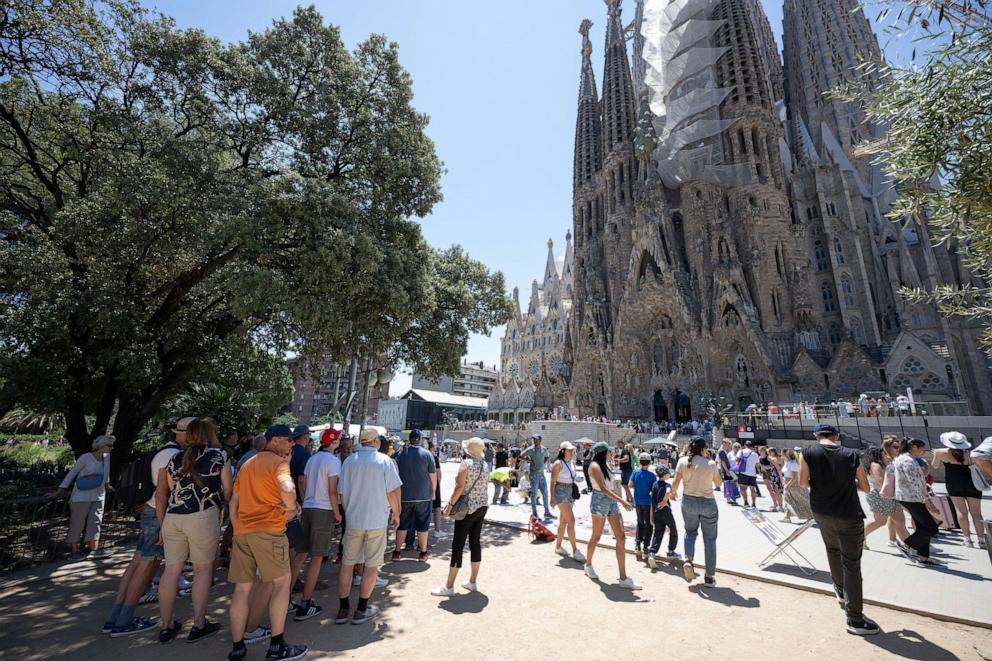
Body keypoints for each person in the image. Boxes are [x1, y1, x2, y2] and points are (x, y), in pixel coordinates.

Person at [227, 423, 307, 661]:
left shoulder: (247, 464)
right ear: (274, 440)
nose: (292, 444)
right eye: (288, 440)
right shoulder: (279, 463)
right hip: (270, 531)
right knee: (282, 584)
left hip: (244, 532)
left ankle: (238, 647)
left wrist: (238, 528)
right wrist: (292, 509)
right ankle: (277, 645)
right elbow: (287, 487)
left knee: (241, 590)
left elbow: (234, 502)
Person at [102, 419, 188, 636]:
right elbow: (164, 494)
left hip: (149, 511)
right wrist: (162, 523)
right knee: (148, 564)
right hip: (159, 514)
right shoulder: (174, 456)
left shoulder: (163, 452)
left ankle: (115, 617)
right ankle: (124, 621)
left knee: (138, 561)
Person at [799, 423, 879, 636]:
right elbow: (866, 487)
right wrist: (845, 483)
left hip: (821, 511)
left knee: (832, 550)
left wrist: (822, 484)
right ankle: (855, 619)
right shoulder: (851, 454)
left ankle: (841, 591)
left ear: (816, 436)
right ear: (837, 436)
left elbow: (802, 482)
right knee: (851, 563)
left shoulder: (807, 453)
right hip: (848, 512)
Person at [158, 417, 231, 644]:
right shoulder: (219, 457)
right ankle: (199, 623)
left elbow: (170, 490)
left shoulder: (175, 459)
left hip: (173, 517)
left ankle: (167, 624)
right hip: (202, 516)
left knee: (171, 571)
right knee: (202, 570)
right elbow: (228, 489)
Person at [336, 428, 402, 625]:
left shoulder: (349, 461)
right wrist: (396, 512)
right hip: (376, 519)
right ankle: (362, 608)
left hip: (354, 519)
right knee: (372, 565)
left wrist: (349, 510)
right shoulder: (384, 461)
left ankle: (343, 608)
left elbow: (342, 494)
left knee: (347, 564)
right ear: (374, 441)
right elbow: (392, 491)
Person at [290, 427, 341, 622]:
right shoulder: (333, 461)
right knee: (317, 557)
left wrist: (305, 499)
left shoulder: (312, 459)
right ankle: (305, 603)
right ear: (333, 442)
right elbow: (332, 490)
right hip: (323, 509)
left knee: (300, 554)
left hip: (309, 506)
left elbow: (302, 481)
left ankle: (285, 599)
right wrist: (337, 512)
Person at [431, 438, 490, 596]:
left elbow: (459, 488)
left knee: (458, 545)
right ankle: (472, 581)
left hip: (467, 508)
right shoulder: (486, 465)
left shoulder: (466, 464)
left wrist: (449, 506)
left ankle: (449, 586)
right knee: (475, 543)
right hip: (482, 506)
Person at [583, 443, 639, 589]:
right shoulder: (595, 466)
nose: (612, 452)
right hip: (600, 501)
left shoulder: (605, 464)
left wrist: (618, 502)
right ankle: (588, 564)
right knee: (596, 536)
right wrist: (623, 501)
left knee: (621, 537)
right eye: (609, 450)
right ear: (603, 452)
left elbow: (610, 487)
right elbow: (602, 489)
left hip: (610, 501)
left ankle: (623, 577)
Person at [671, 437, 722, 585]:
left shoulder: (682, 461)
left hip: (688, 500)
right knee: (710, 540)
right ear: (703, 449)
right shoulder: (710, 463)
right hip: (707, 501)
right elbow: (718, 483)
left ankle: (688, 560)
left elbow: (675, 482)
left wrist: (673, 493)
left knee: (690, 532)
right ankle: (709, 576)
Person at [58, 435, 115, 559]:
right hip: (81, 496)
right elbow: (72, 472)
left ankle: (94, 548)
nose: (111, 448)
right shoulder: (85, 458)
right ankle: (74, 550)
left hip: (99, 495)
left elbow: (107, 472)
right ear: (100, 447)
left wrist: (107, 485)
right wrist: (61, 488)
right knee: (77, 523)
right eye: (109, 446)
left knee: (96, 522)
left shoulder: (107, 457)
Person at [932, 431, 986, 549]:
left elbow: (935, 466)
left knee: (961, 512)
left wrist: (936, 454)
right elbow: (980, 467)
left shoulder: (940, 452)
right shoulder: (970, 454)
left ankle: (967, 539)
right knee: (977, 513)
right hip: (972, 484)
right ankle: (981, 540)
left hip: (954, 484)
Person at [893, 437, 940, 566]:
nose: (923, 451)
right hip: (912, 498)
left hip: (908, 497)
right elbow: (915, 482)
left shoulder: (901, 458)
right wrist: (927, 499)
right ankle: (906, 546)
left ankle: (923, 557)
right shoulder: (907, 460)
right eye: (922, 448)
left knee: (923, 527)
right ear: (914, 447)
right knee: (931, 528)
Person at [392, 429, 437, 562]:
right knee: (423, 526)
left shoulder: (399, 454)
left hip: (404, 495)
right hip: (423, 496)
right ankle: (423, 553)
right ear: (421, 439)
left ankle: (397, 552)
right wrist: (433, 492)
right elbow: (433, 476)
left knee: (402, 525)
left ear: (410, 439)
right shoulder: (427, 454)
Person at [862, 446, 908, 549]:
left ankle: (910, 546)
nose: (886, 455)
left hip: (889, 496)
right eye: (884, 453)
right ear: (878, 455)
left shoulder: (882, 464)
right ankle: (859, 537)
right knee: (880, 521)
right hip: (879, 496)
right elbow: (881, 481)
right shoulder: (875, 465)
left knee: (899, 520)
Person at [549, 441, 585, 563]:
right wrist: (552, 498)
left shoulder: (571, 462)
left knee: (563, 522)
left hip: (569, 492)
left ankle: (558, 546)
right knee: (571, 521)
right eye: (569, 450)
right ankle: (575, 550)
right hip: (560, 492)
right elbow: (552, 482)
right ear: (563, 451)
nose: (572, 452)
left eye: (572, 450)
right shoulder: (558, 464)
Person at [647, 465, 679, 568]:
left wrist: (651, 515)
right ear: (665, 475)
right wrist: (665, 501)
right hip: (665, 511)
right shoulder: (667, 485)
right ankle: (671, 551)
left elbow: (652, 500)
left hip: (656, 512)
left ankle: (652, 553)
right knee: (673, 530)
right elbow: (668, 492)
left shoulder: (654, 485)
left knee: (658, 533)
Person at [628, 452, 657, 561]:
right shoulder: (652, 476)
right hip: (647, 503)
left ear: (639, 462)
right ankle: (646, 546)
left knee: (639, 522)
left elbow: (630, 485)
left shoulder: (635, 472)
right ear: (649, 463)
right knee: (649, 524)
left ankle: (638, 544)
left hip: (638, 502)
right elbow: (653, 490)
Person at [521, 435, 553, 520]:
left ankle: (547, 512)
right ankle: (534, 513)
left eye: (536, 439)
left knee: (545, 493)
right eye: (534, 439)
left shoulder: (544, 449)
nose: (535, 441)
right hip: (534, 475)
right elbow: (520, 456)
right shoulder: (531, 449)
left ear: (540, 440)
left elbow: (547, 456)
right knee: (534, 494)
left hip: (541, 475)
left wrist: (543, 463)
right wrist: (529, 460)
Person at [781, 448, 812, 523]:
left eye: (782, 454)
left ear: (786, 455)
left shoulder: (793, 463)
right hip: (787, 482)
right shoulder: (786, 462)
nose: (781, 455)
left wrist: (788, 485)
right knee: (787, 500)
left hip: (794, 485)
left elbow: (795, 477)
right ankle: (787, 517)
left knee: (802, 500)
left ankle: (811, 517)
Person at [735, 441, 760, 507]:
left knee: (742, 488)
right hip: (752, 473)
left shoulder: (741, 451)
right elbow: (757, 465)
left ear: (745, 445)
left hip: (743, 472)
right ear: (751, 446)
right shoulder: (755, 454)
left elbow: (737, 460)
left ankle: (746, 502)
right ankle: (754, 503)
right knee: (752, 489)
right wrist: (759, 472)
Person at [716, 439, 739, 506]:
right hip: (727, 470)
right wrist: (727, 471)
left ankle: (729, 498)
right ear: (724, 443)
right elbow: (723, 462)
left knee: (729, 484)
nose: (728, 446)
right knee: (731, 483)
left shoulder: (722, 451)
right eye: (728, 444)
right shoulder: (722, 451)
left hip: (727, 470)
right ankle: (731, 498)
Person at [765, 447, 785, 513]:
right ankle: (780, 506)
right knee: (777, 491)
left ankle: (780, 506)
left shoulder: (773, 459)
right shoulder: (780, 457)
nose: (768, 454)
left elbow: (778, 469)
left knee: (777, 491)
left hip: (776, 475)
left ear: (773, 452)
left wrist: (781, 478)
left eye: (769, 452)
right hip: (777, 475)